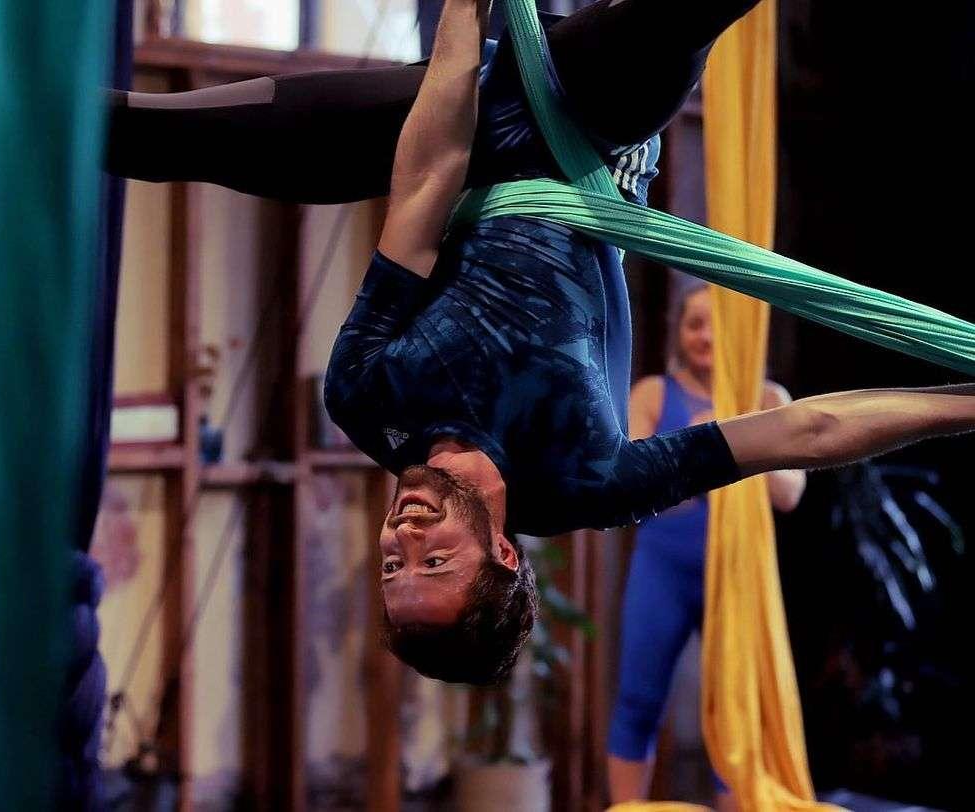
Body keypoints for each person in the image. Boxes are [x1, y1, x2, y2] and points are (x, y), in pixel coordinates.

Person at [108, 0, 975, 687]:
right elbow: (803, 434)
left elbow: (424, 184)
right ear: (504, 553)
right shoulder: (586, 480)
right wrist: (961, 407)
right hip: (594, 123)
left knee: (134, 133)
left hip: (459, 125)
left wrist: (460, 12)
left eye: (390, 565)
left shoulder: (368, 397)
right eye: (433, 559)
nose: (402, 535)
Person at [606, 283, 806, 809]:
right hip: (662, 571)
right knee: (638, 697)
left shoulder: (769, 400)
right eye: (694, 323)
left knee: (736, 709)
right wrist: (695, 454)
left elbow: (788, 494)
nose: (706, 335)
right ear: (679, 332)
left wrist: (735, 444)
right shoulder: (653, 394)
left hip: (738, 575)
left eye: (717, 322)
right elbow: (634, 489)